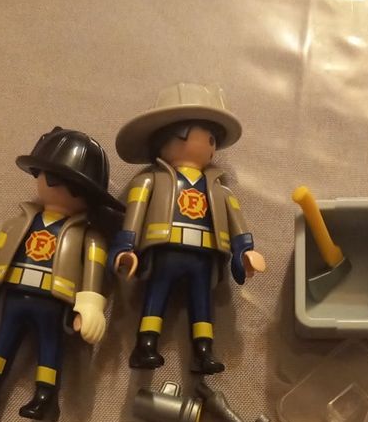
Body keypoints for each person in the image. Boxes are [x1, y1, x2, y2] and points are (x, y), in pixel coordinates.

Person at [0, 127, 123, 421]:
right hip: (13, 295)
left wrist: (90, 306)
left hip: (54, 302)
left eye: (76, 187)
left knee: (50, 347)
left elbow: (94, 272)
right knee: (3, 341)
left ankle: (46, 397)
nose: (61, 189)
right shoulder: (16, 225)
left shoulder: (90, 237)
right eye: (53, 178)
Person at [109, 83, 266, 373]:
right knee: (156, 293)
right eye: (207, 137)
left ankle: (203, 351)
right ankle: (145, 345)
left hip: (204, 254)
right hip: (165, 249)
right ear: (172, 137)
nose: (211, 145)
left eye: (213, 140)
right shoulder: (150, 181)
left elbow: (236, 222)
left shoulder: (219, 189)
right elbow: (135, 215)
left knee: (202, 301)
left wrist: (244, 250)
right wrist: (126, 247)